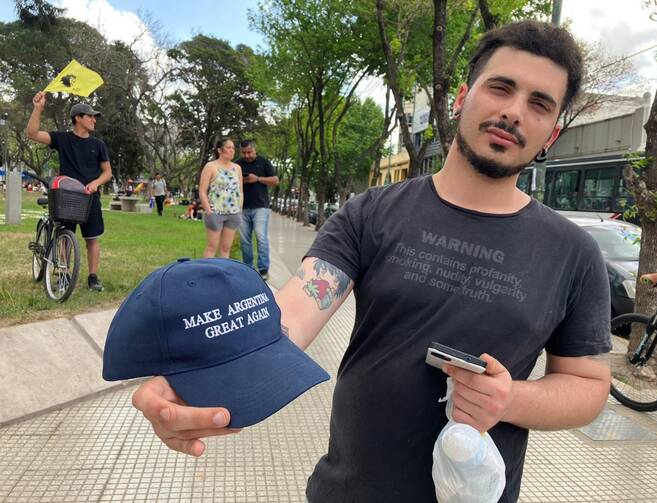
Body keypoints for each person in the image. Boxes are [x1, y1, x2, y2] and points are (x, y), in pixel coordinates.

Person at [131, 21, 612, 503]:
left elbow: (587, 387)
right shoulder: (370, 213)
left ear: (551, 134)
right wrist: (196, 376)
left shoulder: (574, 253)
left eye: (539, 104)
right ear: (463, 96)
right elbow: (291, 315)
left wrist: (511, 399)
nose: (512, 112)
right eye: (501, 88)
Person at [26, 92, 112, 291]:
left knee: (92, 238)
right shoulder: (62, 139)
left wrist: (95, 183)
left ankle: (93, 277)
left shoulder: (98, 144)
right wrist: (38, 109)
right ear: (78, 119)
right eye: (90, 116)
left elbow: (107, 172)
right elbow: (32, 133)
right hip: (67, 196)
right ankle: (63, 273)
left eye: (94, 116)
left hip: (91, 198)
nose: (93, 120)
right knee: (64, 236)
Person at [236, 140, 278, 280]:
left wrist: (257, 179)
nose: (247, 155)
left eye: (249, 152)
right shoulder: (237, 164)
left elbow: (275, 180)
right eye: (244, 153)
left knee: (261, 237)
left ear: (255, 150)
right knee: (245, 240)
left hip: (260, 207)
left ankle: (263, 269)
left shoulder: (264, 162)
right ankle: (248, 268)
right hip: (241, 207)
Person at [198, 138, 243, 258]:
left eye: (233, 148)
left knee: (226, 249)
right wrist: (209, 211)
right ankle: (207, 274)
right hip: (215, 213)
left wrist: (239, 209)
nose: (232, 150)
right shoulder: (211, 166)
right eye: (229, 148)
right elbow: (202, 191)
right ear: (219, 150)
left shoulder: (237, 168)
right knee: (212, 247)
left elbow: (240, 191)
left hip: (233, 213)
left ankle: (223, 274)